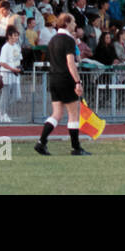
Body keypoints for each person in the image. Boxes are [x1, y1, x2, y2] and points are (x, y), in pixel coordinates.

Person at [35, 13, 90, 156]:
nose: (75, 24)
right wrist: (78, 81)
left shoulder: (52, 40)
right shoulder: (69, 40)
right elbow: (71, 63)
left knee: (56, 113)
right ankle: (76, 147)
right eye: (73, 22)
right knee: (73, 114)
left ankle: (41, 142)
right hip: (66, 79)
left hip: (53, 79)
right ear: (66, 23)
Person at [0, 27, 23, 123]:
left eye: (17, 35)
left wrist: (18, 68)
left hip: (15, 75)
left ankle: (0, 110)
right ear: (9, 36)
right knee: (5, 95)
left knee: (17, 96)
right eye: (14, 35)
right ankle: (2, 113)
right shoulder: (5, 47)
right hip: (6, 74)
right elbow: (1, 62)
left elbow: (19, 59)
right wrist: (12, 69)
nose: (16, 37)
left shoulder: (17, 46)